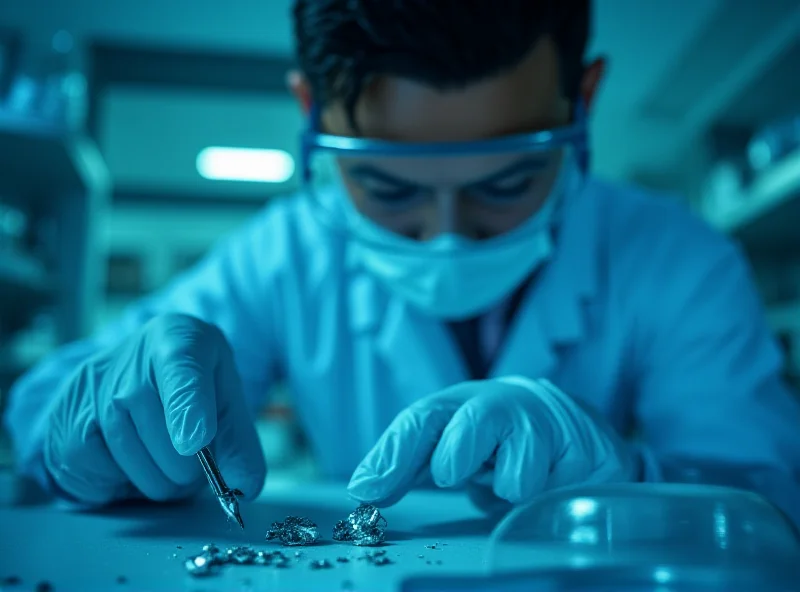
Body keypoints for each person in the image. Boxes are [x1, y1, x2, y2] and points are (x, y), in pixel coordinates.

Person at [4, 0, 800, 524]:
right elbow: (50, 399)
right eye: (385, 185)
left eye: (508, 181)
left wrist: (632, 478)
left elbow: (774, 508)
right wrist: (90, 418)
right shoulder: (285, 252)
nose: (443, 235)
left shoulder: (683, 258)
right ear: (309, 114)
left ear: (583, 101)